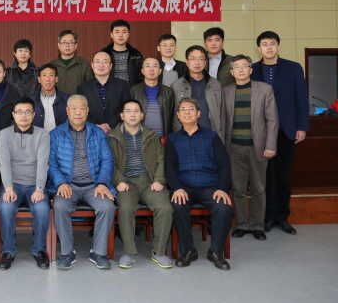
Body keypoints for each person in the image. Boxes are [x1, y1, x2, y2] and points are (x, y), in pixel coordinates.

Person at [48, 94, 116, 270]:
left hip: (94, 185)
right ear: (67, 111)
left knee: (107, 207)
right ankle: (67, 252)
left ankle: (98, 252)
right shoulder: (56, 134)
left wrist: (102, 183)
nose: (78, 112)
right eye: (74, 109)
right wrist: (60, 183)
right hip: (68, 185)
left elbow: (107, 160)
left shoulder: (97, 133)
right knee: (60, 206)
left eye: (82, 108)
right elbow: (51, 163)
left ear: (87, 111)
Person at [166, 98, 234, 271]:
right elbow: (169, 168)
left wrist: (222, 188)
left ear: (198, 114)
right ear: (178, 115)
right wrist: (177, 188)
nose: (187, 112)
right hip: (184, 187)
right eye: (183, 110)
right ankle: (188, 251)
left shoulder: (212, 137)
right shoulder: (173, 139)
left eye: (191, 109)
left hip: (210, 187)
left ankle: (216, 252)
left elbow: (224, 164)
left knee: (223, 207)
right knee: (178, 205)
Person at [252, 31, 309, 235]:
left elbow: (301, 98)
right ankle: (268, 217)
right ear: (259, 48)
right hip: (262, 131)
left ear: (278, 46)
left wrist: (302, 126)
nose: (268, 47)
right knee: (265, 177)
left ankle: (283, 217)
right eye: (264, 44)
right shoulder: (252, 69)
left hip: (286, 129)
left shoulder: (293, 68)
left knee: (284, 176)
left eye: (272, 43)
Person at [107, 99, 173, 269]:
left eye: (136, 111)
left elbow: (161, 160)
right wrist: (118, 181)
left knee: (165, 207)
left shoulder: (152, 136)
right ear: (122, 115)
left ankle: (159, 252)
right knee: (126, 208)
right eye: (128, 111)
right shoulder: (112, 137)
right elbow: (108, 163)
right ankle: (129, 252)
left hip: (149, 182)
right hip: (126, 183)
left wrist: (159, 180)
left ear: (142, 115)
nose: (132, 114)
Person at [222, 55, 278, 241]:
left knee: (258, 188)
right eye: (236, 67)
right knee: (237, 188)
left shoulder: (264, 89)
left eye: (244, 66)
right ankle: (242, 224)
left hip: (258, 148)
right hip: (233, 148)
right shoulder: (225, 91)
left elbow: (272, 120)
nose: (240, 70)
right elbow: (222, 121)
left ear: (251, 70)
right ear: (231, 72)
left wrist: (270, 145)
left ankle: (257, 225)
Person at [0, 97, 51, 270]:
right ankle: (8, 251)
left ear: (34, 115)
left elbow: (43, 163)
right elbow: (4, 163)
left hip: (35, 185)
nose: (24, 116)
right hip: (12, 184)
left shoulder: (42, 134)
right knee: (6, 208)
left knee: (42, 209)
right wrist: (8, 188)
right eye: (19, 112)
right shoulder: (4, 134)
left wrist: (40, 188)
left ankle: (39, 250)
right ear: (13, 114)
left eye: (28, 112)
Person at [171, 46, 224, 139]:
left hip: (211, 134)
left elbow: (222, 112)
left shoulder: (215, 84)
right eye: (193, 59)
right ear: (187, 62)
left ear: (205, 62)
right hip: (185, 136)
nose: (197, 62)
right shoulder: (176, 86)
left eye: (201, 59)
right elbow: (173, 115)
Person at [77, 50, 131, 134]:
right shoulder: (83, 88)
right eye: (97, 61)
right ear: (92, 65)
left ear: (110, 66)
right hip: (92, 132)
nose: (101, 65)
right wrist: (96, 126)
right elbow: (81, 110)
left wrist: (110, 125)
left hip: (118, 132)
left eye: (105, 62)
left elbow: (126, 108)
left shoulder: (122, 85)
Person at [130, 57, 175, 137]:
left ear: (160, 71)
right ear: (142, 71)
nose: (151, 69)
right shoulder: (134, 91)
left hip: (162, 138)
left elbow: (172, 116)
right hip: (141, 137)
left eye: (155, 66)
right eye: (147, 66)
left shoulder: (168, 92)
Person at [48, 29, 93, 95]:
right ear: (59, 45)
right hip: (57, 101)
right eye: (64, 42)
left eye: (71, 42)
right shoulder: (51, 66)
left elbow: (90, 88)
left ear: (76, 46)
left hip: (78, 101)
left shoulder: (84, 64)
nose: (67, 45)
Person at [101, 19, 143, 86]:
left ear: (128, 34)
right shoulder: (104, 54)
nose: (120, 35)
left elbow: (141, 77)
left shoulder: (136, 55)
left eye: (124, 32)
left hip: (131, 91)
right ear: (111, 35)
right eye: (117, 32)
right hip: (110, 90)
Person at [32, 63, 68, 131]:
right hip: (38, 137)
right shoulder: (31, 100)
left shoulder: (66, 99)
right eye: (44, 75)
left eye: (51, 75)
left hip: (60, 136)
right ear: (39, 79)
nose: (47, 79)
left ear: (56, 79)